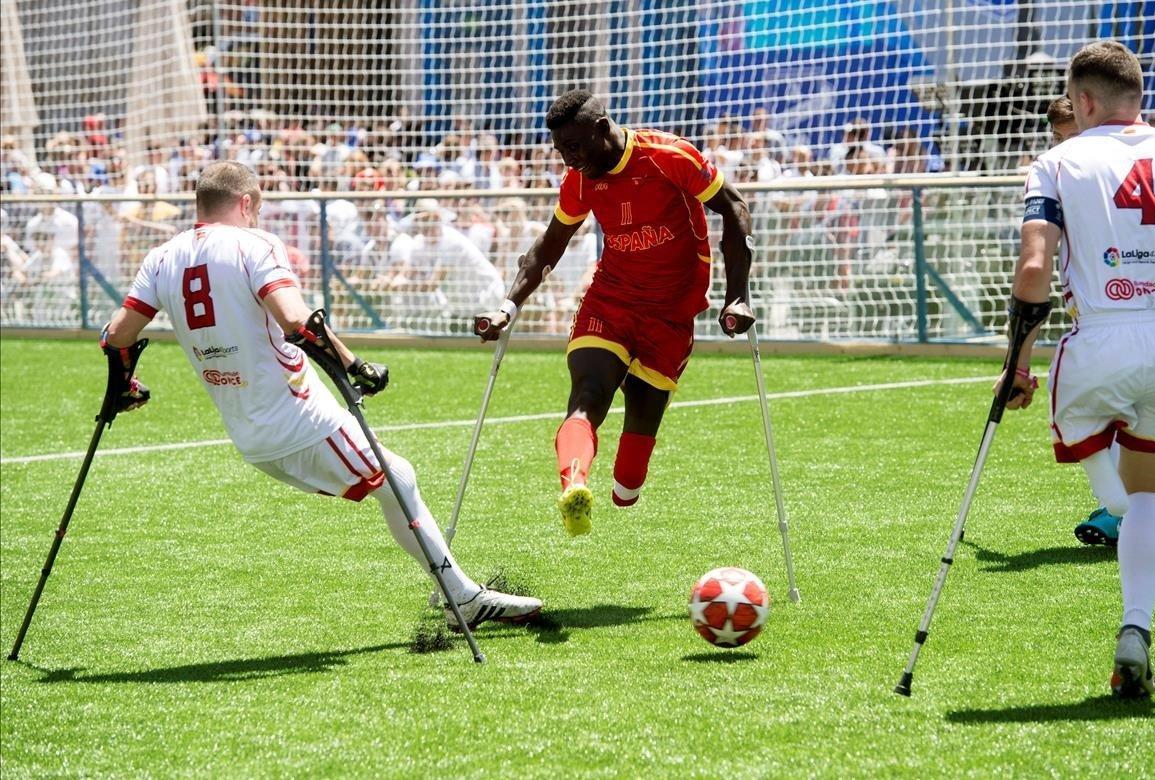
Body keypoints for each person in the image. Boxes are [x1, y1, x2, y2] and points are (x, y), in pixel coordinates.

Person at [101, 161, 541, 631]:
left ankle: (459, 592)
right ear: (246, 203)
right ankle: (464, 599)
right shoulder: (256, 244)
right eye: (258, 207)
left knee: (397, 478)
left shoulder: (161, 257)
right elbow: (296, 320)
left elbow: (117, 335)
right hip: (296, 419)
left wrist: (123, 385)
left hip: (249, 435)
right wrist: (356, 366)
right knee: (398, 479)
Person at [999, 41, 1155, 698]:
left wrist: (1016, 365)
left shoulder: (1056, 162)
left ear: (1083, 101)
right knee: (1149, 494)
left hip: (1098, 342)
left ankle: (1115, 510)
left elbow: (1034, 271)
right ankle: (1134, 627)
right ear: (1139, 98)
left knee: (1112, 478)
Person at [476, 90, 756, 536]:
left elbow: (734, 207)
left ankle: (622, 484)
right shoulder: (580, 178)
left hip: (671, 310)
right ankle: (574, 487)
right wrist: (508, 306)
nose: (570, 159)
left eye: (575, 146)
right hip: (612, 299)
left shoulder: (669, 156)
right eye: (561, 151)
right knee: (587, 396)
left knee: (629, 480)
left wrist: (736, 295)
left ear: (602, 128)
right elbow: (550, 244)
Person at [1045, 96, 1124, 547]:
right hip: (1102, 310)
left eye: (1069, 133)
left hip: (1128, 310)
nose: (1064, 144)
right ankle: (1120, 508)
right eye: (1058, 137)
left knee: (1092, 408)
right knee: (1113, 414)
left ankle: (1119, 509)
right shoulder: (1064, 170)